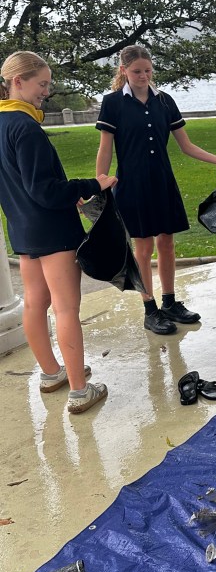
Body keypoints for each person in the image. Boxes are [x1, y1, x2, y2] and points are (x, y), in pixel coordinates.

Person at [0, 51, 116, 413]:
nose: (46, 92)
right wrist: (92, 185)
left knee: (35, 303)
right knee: (66, 308)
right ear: (17, 81)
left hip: (21, 226)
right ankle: (81, 391)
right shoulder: (25, 127)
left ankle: (52, 374)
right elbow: (45, 190)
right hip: (51, 228)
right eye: (42, 84)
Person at [96, 45, 216, 335]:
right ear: (123, 71)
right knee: (143, 248)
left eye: (147, 70)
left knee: (167, 244)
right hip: (131, 185)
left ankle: (170, 303)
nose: (143, 75)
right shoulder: (112, 103)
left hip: (162, 181)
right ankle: (150, 308)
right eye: (136, 71)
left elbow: (186, 145)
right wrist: (100, 179)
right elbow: (105, 148)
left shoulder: (165, 101)